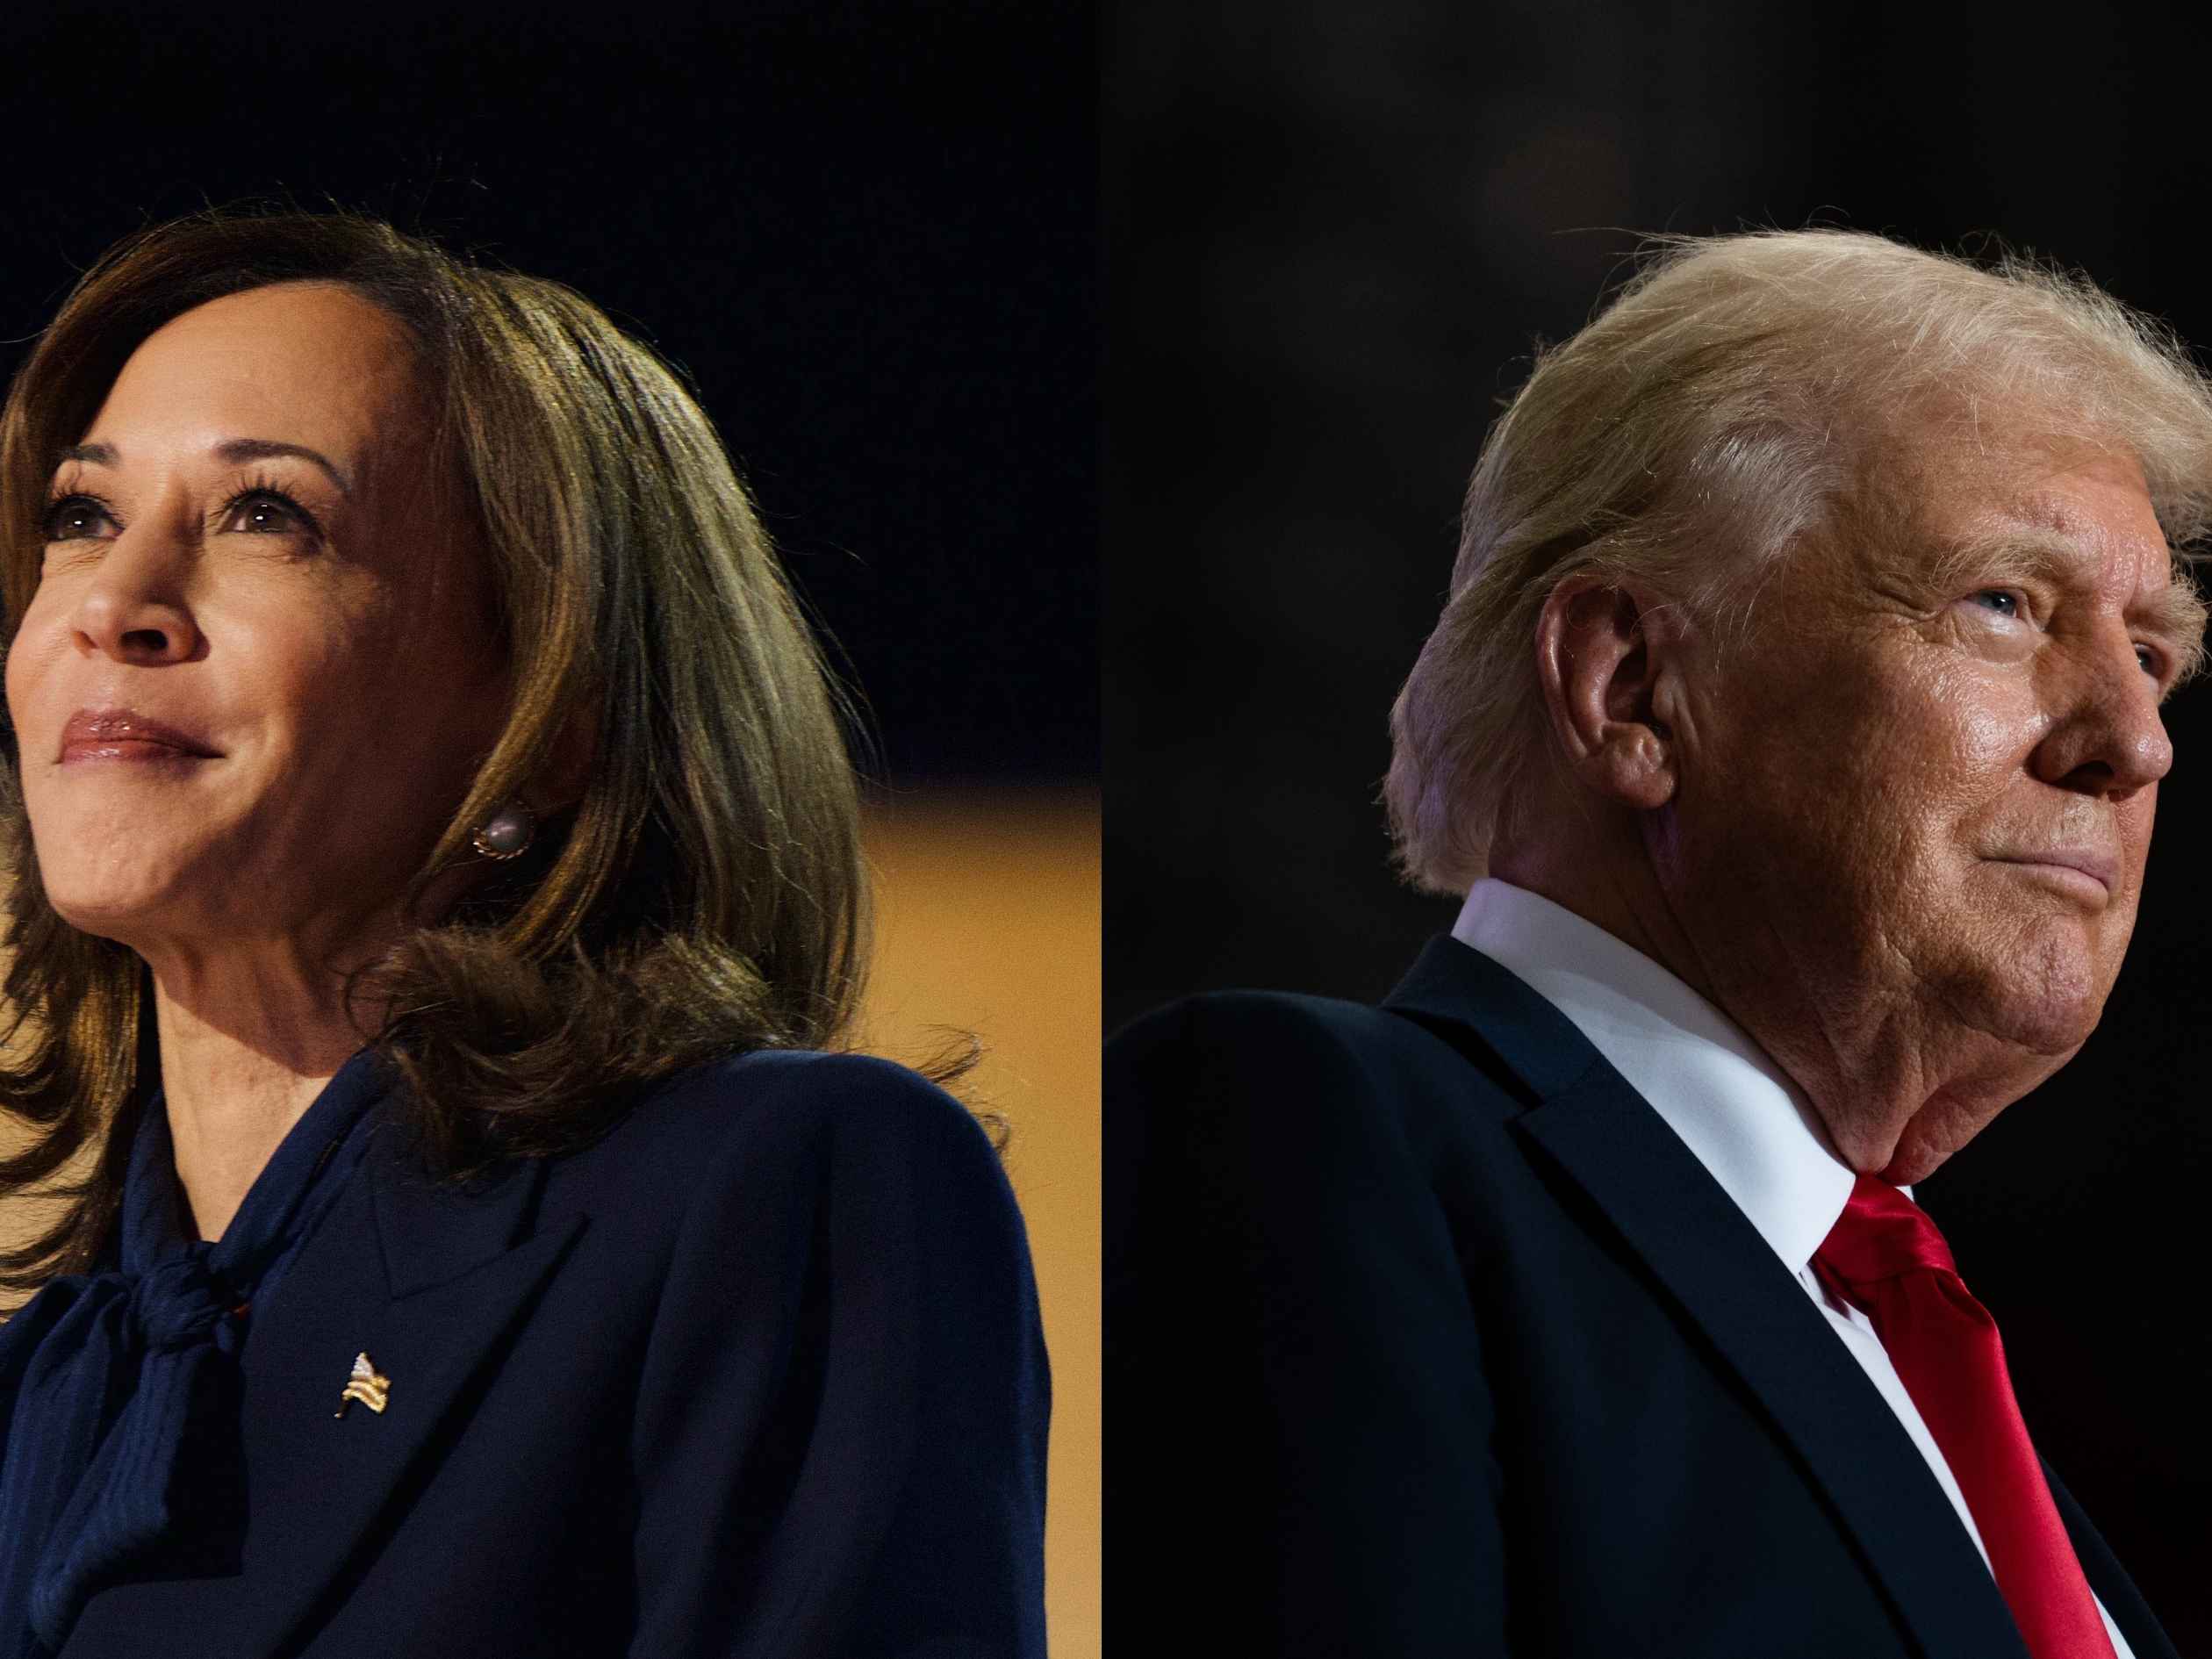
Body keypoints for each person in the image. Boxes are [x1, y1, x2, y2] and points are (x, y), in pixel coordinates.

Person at [1110, 230, 2210, 1658]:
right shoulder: (1302, 1136)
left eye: (2155, 652)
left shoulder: (1930, 1370)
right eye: (2005, 603)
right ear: (1632, 687)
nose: (2135, 741)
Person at [0, 210, 1048, 1658]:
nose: (111, 604)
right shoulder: (43, 1403)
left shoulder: (776, 1189)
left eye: (264, 516)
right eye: (81, 516)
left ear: (550, 722)